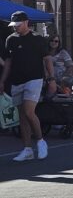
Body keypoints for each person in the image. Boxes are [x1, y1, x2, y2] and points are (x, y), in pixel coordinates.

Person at [0, 11, 56, 161]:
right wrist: (2, 81)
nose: (15, 28)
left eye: (18, 25)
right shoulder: (10, 39)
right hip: (17, 81)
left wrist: (51, 79)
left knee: (29, 111)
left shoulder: (38, 39)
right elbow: (8, 62)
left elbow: (47, 60)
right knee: (22, 117)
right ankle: (27, 149)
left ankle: (40, 141)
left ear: (26, 23)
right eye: (14, 25)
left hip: (34, 79)